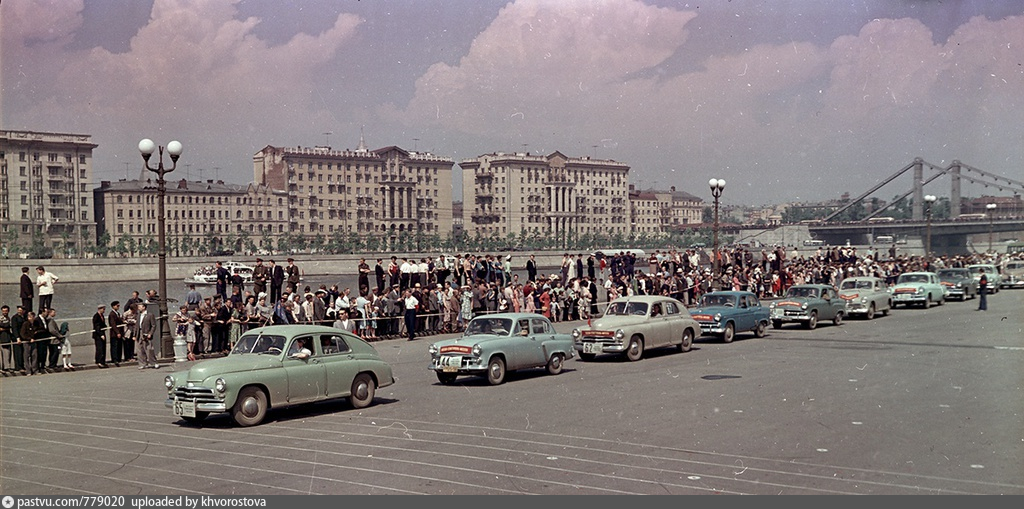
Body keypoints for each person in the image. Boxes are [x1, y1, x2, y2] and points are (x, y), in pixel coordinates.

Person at [136, 301, 160, 369]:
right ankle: (143, 363)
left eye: (140, 306)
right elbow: (137, 325)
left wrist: (150, 333)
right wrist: (135, 335)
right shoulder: (138, 315)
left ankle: (154, 362)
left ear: (144, 307)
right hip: (139, 333)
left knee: (149, 348)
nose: (138, 308)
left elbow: (153, 325)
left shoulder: (150, 315)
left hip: (146, 333)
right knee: (139, 349)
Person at [20, 311, 43, 376]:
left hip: (34, 342)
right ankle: (28, 371)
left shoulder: (36, 323)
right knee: (26, 357)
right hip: (27, 342)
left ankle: (35, 370)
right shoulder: (25, 324)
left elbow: (41, 329)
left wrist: (36, 332)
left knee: (34, 356)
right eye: (29, 317)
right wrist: (29, 339)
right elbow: (22, 334)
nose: (30, 318)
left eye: (31, 317)